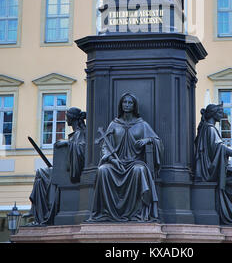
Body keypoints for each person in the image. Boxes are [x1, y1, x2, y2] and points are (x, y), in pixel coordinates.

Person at [89, 93, 163, 222]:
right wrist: (112, 160)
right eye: (125, 102)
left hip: (135, 162)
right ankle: (104, 211)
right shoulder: (114, 124)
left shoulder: (142, 124)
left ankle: (138, 211)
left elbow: (158, 142)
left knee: (138, 170)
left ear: (135, 106)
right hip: (116, 163)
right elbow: (105, 146)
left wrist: (148, 140)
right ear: (121, 104)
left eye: (130, 103)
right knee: (103, 170)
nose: (127, 105)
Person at [194, 103, 232, 226]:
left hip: (213, 169)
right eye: (220, 112)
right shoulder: (210, 129)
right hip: (212, 172)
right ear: (213, 113)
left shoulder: (207, 128)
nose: (222, 115)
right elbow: (221, 148)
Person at [25, 107, 86, 226]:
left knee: (41, 173)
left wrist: (67, 143)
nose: (65, 117)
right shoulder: (75, 134)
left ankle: (37, 213)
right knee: (40, 174)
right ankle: (36, 212)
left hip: (73, 171)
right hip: (66, 169)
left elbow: (82, 149)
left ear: (72, 118)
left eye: (67, 115)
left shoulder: (80, 133)